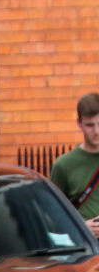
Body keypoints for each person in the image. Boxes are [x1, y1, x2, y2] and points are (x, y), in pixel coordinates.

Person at [51, 92, 99, 239]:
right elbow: (51, 216)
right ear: (79, 123)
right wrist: (81, 227)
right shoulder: (63, 165)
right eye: (90, 125)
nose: (96, 131)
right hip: (85, 248)